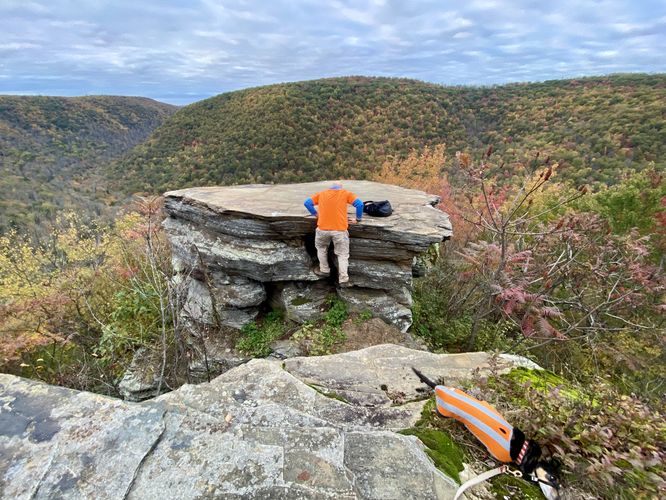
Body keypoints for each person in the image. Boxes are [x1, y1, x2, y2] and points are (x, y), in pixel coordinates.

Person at [304, 182, 363, 286]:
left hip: (322, 229)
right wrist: (358, 219)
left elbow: (307, 203)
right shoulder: (345, 193)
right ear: (340, 188)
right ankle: (343, 279)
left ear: (330, 188)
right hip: (339, 231)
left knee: (321, 249)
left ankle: (324, 270)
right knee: (342, 255)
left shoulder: (321, 194)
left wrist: (316, 214)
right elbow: (360, 204)